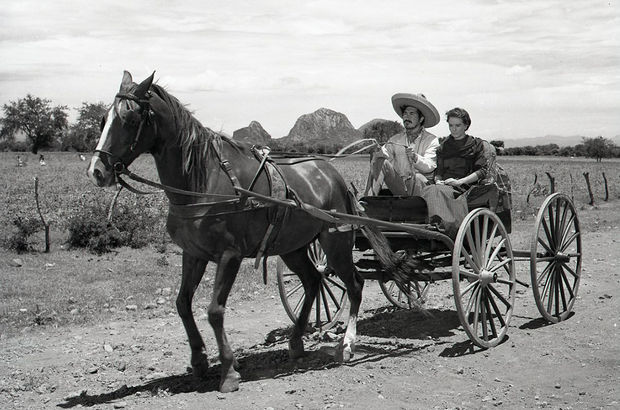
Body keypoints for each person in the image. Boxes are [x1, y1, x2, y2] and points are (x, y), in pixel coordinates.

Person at [422, 107, 490, 236]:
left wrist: (460, 182)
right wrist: (438, 180)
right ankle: (434, 223)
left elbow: (482, 171)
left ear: (466, 125)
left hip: (466, 187)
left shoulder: (476, 144)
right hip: (445, 185)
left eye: (458, 125)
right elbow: (439, 171)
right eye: (451, 125)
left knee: (436, 190)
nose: (454, 129)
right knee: (430, 189)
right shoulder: (444, 146)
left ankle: (447, 227)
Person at [364, 93, 440, 196]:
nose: (406, 117)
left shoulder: (431, 140)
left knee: (418, 177)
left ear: (421, 118)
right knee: (380, 162)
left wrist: (415, 157)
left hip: (423, 189)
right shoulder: (395, 140)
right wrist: (377, 151)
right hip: (401, 186)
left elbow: (430, 165)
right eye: (405, 113)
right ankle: (366, 201)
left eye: (412, 113)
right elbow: (385, 155)